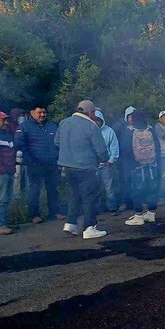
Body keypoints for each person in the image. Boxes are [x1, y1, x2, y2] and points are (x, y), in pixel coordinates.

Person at [55, 100, 110, 239]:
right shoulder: (91, 126)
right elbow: (101, 150)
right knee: (89, 197)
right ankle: (89, 227)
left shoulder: (64, 122)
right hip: (86, 167)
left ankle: (70, 224)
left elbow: (56, 142)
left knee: (74, 195)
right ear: (91, 112)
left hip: (67, 166)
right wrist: (104, 159)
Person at [14, 104, 62, 224]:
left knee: (53, 189)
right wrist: (30, 160)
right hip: (34, 164)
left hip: (51, 163)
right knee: (34, 190)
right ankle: (34, 215)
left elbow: (59, 142)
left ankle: (54, 212)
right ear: (32, 113)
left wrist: (58, 158)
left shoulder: (52, 126)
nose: (42, 115)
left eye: (44, 112)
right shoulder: (24, 126)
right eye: (39, 112)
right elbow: (19, 144)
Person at [120, 109, 160, 226]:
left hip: (137, 167)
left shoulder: (129, 132)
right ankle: (151, 213)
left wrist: (129, 166)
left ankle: (138, 215)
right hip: (152, 166)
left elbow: (125, 149)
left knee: (137, 191)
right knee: (152, 189)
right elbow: (158, 147)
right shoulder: (151, 130)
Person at [93, 110, 120, 215]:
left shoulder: (109, 131)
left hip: (106, 165)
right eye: (94, 120)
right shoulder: (88, 131)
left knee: (109, 188)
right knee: (95, 188)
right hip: (93, 165)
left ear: (102, 120)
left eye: (98, 120)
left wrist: (111, 160)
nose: (96, 122)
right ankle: (97, 209)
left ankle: (112, 208)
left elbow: (114, 147)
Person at [113, 106, 136, 213]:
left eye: (134, 116)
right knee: (124, 181)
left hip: (136, 158)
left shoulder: (138, 126)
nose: (132, 118)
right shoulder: (119, 127)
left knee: (136, 180)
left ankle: (136, 202)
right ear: (126, 116)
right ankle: (124, 202)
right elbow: (113, 141)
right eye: (130, 116)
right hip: (123, 158)